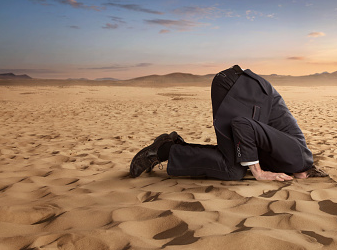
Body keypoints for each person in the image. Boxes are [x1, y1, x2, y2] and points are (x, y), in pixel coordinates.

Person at [130, 65, 327, 181]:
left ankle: (172, 147)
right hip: (236, 89)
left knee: (236, 164)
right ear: (307, 174)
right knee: (233, 169)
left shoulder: (289, 161)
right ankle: (164, 150)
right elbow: (243, 125)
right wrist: (258, 173)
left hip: (244, 92)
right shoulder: (297, 158)